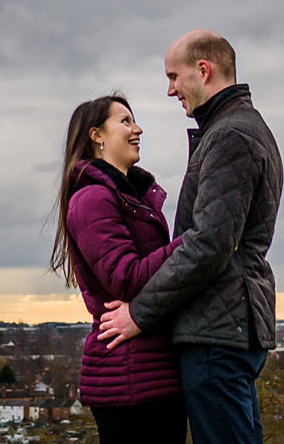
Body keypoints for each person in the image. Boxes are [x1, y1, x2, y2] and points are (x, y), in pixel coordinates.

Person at [97, 31, 283, 444]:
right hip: (229, 325)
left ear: (203, 70)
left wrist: (139, 313)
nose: (170, 90)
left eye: (173, 76)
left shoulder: (230, 135)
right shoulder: (239, 128)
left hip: (217, 331)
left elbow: (208, 245)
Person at [52, 94, 188, 444]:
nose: (137, 129)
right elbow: (124, 279)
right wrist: (190, 243)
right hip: (128, 380)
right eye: (125, 121)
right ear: (96, 135)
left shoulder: (130, 197)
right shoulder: (92, 199)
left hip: (151, 370)